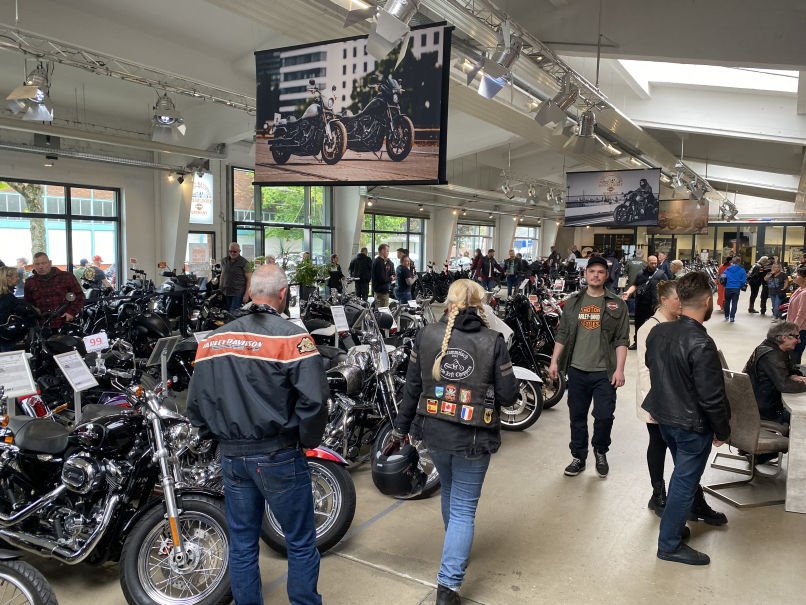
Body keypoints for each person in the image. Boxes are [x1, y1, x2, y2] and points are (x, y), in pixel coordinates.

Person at [186, 264, 328, 605]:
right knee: (300, 541)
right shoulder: (293, 338)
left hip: (232, 456)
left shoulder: (213, 341)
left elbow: (196, 403)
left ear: (249, 293)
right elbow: (315, 400)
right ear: (283, 294)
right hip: (279, 454)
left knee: (243, 544)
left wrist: (215, 436)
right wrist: (306, 440)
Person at [392, 279, 518, 605]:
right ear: (481, 304)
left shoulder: (426, 335)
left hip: (433, 433)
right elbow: (509, 395)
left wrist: (401, 429)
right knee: (463, 509)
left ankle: (455, 548)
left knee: (449, 491)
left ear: (449, 302)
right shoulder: (493, 340)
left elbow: (411, 389)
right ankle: (448, 586)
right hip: (473, 439)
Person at [643, 271, 731, 566]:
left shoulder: (658, 332)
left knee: (682, 476)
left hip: (665, 418)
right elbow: (711, 397)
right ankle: (669, 544)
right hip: (691, 425)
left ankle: (676, 523)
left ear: (680, 299)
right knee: (684, 481)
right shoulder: (701, 342)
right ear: (707, 301)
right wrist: (722, 430)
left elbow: (653, 367)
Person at [549, 256, 629, 477]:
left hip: (605, 372)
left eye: (600, 272)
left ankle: (600, 451)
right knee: (577, 417)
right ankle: (578, 457)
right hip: (577, 370)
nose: (595, 275)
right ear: (585, 274)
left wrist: (620, 369)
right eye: (591, 271)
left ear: (606, 276)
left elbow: (622, 339)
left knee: (604, 416)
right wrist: (554, 361)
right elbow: (562, 334)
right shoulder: (573, 302)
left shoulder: (617, 304)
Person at [743, 321, 806, 426]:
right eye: (797, 337)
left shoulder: (771, 347)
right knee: (802, 420)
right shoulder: (772, 355)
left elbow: (787, 370)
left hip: (757, 402)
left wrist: (793, 375)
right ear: (784, 338)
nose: (799, 341)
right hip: (765, 410)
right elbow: (784, 385)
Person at [23, 252, 84, 328]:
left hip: (65, 323)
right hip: (42, 326)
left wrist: (71, 312)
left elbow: (79, 296)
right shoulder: (30, 282)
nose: (40, 267)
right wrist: (34, 310)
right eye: (37, 264)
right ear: (33, 265)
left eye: (43, 263)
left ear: (50, 263)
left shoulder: (66, 277)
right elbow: (28, 303)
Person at [621, 255, 665, 349]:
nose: (654, 265)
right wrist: (628, 292)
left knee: (655, 324)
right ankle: (637, 342)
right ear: (647, 262)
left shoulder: (661, 274)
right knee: (639, 324)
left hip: (655, 304)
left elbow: (667, 287)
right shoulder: (641, 274)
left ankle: (655, 343)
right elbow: (635, 285)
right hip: (641, 302)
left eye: (655, 263)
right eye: (652, 263)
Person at [220, 242, 252, 312]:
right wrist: (220, 288)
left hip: (238, 292)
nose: (232, 253)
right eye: (230, 251)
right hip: (226, 291)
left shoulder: (245, 263)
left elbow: (249, 279)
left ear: (239, 251)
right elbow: (222, 275)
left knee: (233, 312)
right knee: (227, 311)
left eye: (234, 251)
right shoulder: (224, 261)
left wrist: (247, 294)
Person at [788, 267, 806, 365]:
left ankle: (795, 372)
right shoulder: (800, 289)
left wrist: (795, 329)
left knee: (795, 354)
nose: (795, 276)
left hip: (800, 329)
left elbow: (802, 313)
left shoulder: (804, 293)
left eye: (798, 275)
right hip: (794, 327)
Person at [722, 256, 747, 323]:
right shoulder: (742, 270)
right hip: (736, 288)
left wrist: (724, 284)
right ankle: (732, 317)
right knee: (734, 303)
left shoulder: (727, 269)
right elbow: (743, 280)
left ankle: (726, 316)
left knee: (727, 302)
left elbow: (722, 277)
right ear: (739, 262)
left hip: (728, 287)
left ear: (733, 262)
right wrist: (740, 286)